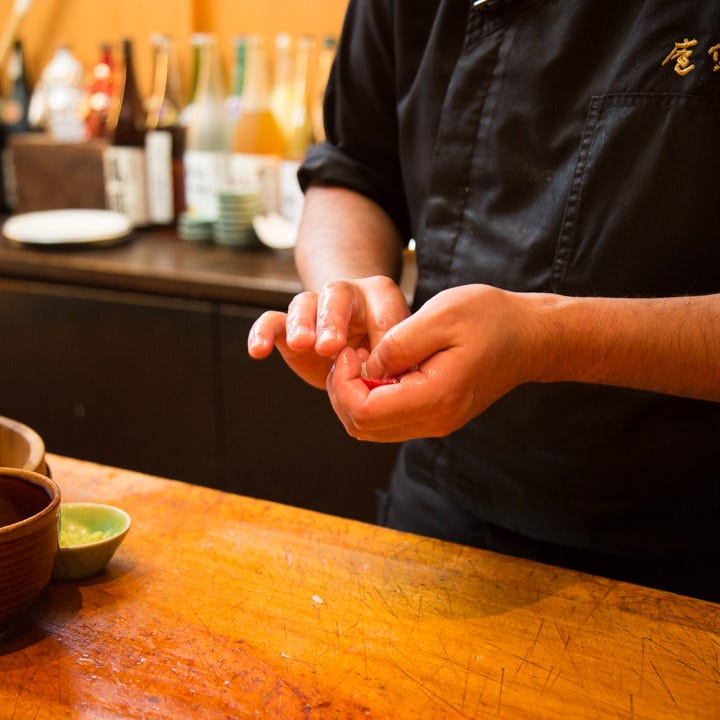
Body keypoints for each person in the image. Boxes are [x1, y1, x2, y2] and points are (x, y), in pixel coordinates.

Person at [248, 1, 720, 601]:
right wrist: (349, 292)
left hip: (692, 542)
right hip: (444, 500)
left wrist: (545, 337)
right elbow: (354, 169)